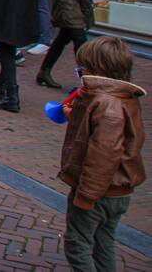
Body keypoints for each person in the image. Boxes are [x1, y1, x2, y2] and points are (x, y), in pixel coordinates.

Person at [59, 36, 145, 272]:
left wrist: (87, 195)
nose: (80, 74)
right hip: (116, 190)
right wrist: (75, 117)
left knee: (77, 244)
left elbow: (103, 156)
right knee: (103, 241)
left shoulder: (106, 105)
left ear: (96, 70)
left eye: (82, 69)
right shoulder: (122, 98)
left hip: (99, 191)